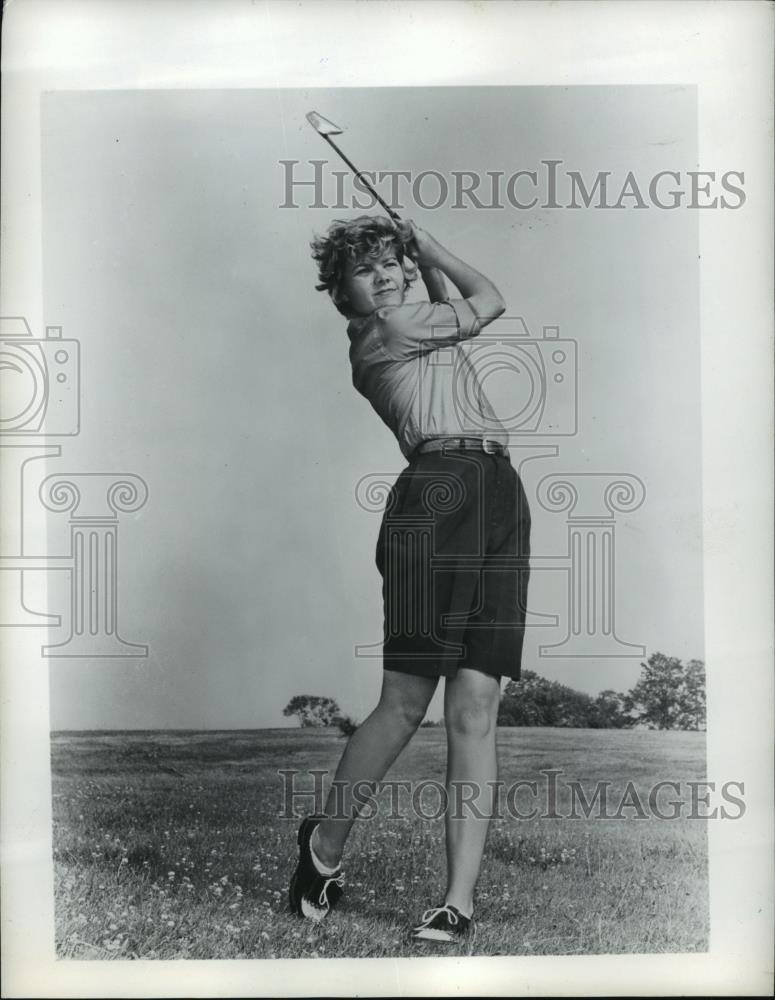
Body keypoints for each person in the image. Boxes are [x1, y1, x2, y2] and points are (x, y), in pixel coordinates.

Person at [289, 215, 531, 944]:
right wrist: (430, 249)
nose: (385, 275)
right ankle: (322, 848)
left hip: (496, 489)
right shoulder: (385, 333)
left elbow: (450, 308)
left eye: (390, 262)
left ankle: (455, 904)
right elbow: (487, 299)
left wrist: (414, 258)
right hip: (438, 492)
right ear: (343, 296)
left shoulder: (416, 320)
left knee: (477, 704)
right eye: (367, 270)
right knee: (404, 702)